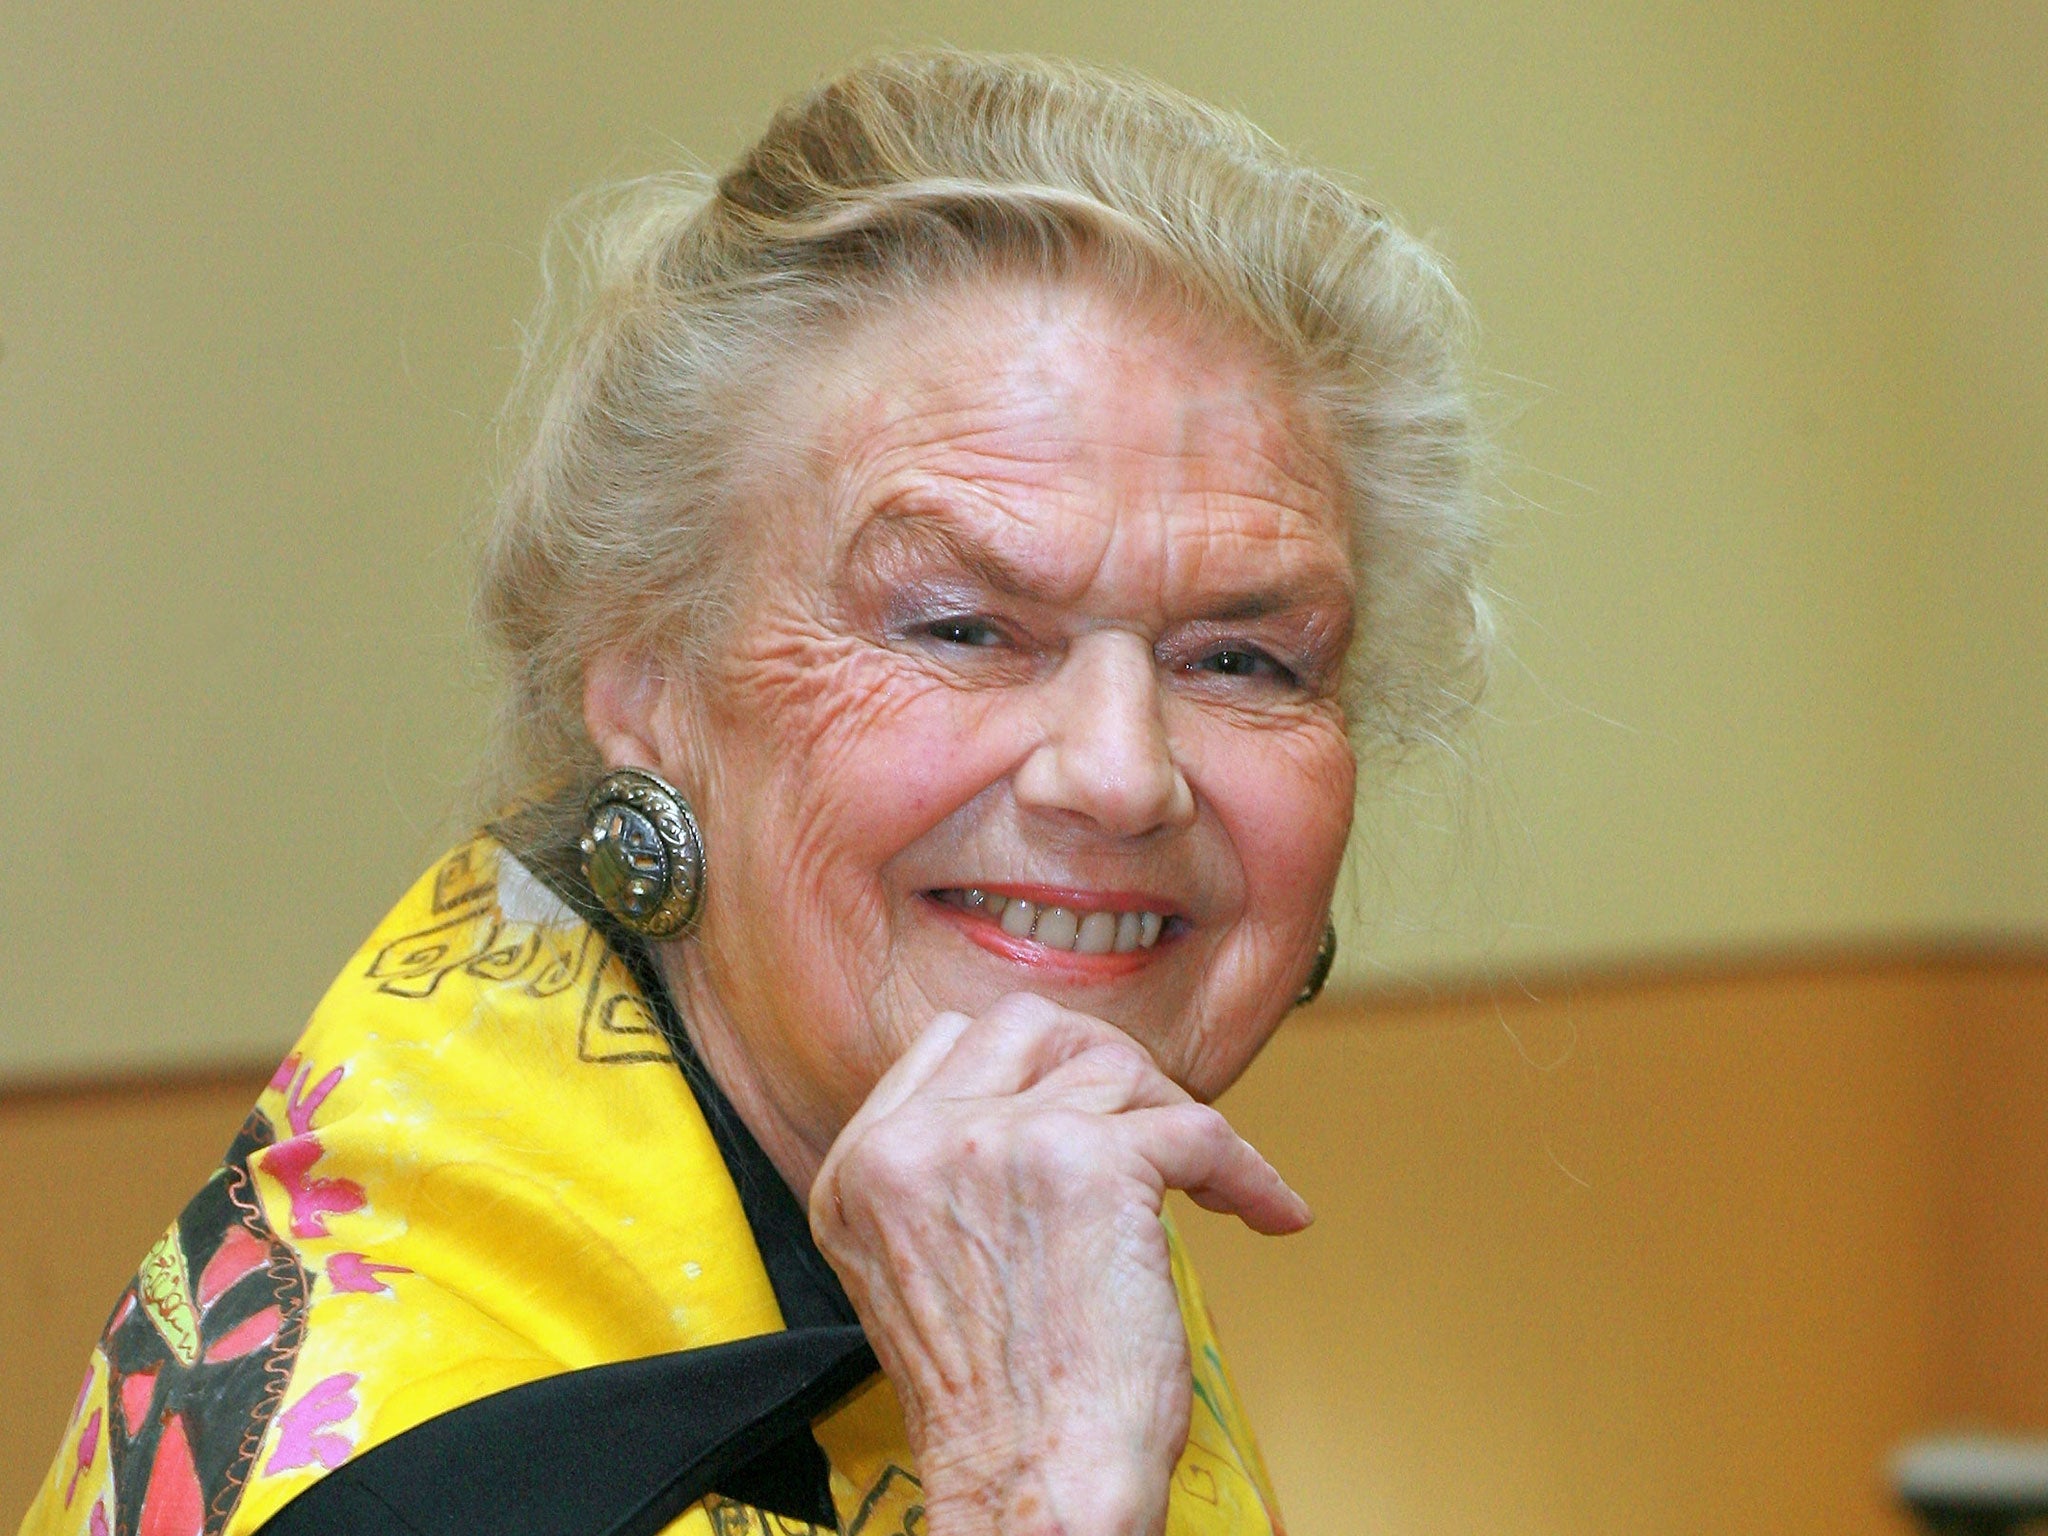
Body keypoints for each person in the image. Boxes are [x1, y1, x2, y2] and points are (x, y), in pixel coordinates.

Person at [20, 49, 1485, 1536]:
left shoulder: (999, 1198)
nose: (1121, 773)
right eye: (962, 628)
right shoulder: (425, 1476)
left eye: (1243, 659)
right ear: (643, 680)